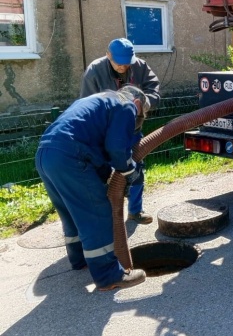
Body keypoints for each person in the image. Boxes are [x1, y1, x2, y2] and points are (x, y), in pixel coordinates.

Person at [35, 85, 150, 291]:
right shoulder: (126, 105)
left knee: (71, 213)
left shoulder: (100, 100)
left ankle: (80, 259)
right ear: (138, 103)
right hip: (71, 156)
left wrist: (110, 175)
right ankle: (108, 275)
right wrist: (128, 171)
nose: (137, 120)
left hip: (46, 154)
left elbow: (95, 142)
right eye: (140, 115)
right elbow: (116, 147)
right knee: (97, 212)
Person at [80, 38, 160, 224]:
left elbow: (154, 92)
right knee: (104, 171)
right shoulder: (94, 71)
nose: (123, 67)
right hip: (104, 132)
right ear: (108, 55)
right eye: (119, 63)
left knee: (136, 167)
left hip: (132, 129)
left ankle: (135, 211)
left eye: (127, 63)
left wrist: (144, 103)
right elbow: (87, 105)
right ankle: (107, 217)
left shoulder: (140, 66)